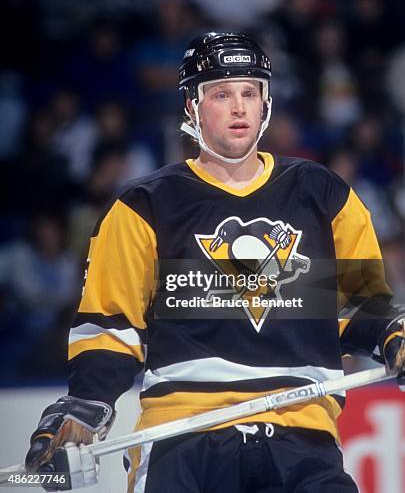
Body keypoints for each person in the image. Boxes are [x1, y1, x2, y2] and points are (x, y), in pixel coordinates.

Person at [25, 32, 405, 492]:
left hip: (303, 441)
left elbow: (360, 305)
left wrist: (394, 335)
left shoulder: (322, 194)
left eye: (250, 92)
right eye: (221, 94)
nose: (239, 107)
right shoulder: (145, 205)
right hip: (183, 438)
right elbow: (111, 327)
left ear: (266, 103)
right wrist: (85, 405)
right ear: (192, 106)